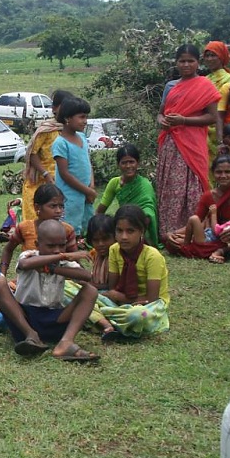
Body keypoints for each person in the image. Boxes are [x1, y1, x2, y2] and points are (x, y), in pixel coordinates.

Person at [0, 220, 100, 362]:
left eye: (61, 245)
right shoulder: (29, 255)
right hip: (24, 320)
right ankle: (32, 336)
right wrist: (62, 255)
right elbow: (24, 265)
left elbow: (87, 277)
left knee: (90, 291)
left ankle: (65, 342)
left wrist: (54, 269)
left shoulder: (64, 264)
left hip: (53, 320)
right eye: (51, 246)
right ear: (37, 245)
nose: (56, 249)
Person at [156, 44, 221, 240]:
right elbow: (160, 115)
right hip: (171, 142)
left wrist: (184, 120)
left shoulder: (205, 85)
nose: (186, 65)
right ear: (176, 63)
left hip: (193, 143)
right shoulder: (171, 86)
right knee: (171, 184)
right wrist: (164, 122)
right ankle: (168, 230)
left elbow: (212, 117)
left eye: (190, 61)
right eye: (182, 61)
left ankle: (194, 231)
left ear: (197, 63)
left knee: (193, 184)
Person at [99, 205, 170, 337]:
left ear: (141, 231)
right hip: (120, 303)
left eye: (130, 231)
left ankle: (107, 321)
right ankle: (114, 321)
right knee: (84, 295)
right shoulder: (114, 249)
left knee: (137, 315)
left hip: (149, 306)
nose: (123, 237)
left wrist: (120, 298)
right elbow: (112, 288)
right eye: (119, 231)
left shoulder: (152, 256)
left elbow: (152, 299)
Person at [166, 155, 230, 262]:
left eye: (228, 172)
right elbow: (196, 220)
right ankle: (217, 251)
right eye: (219, 172)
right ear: (213, 173)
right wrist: (171, 234)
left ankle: (220, 251)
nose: (223, 175)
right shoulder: (208, 196)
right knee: (174, 242)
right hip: (213, 239)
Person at [0, 184, 77, 277]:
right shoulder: (25, 228)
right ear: (37, 207)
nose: (58, 211)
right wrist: (2, 275)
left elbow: (75, 261)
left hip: (57, 283)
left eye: (61, 206)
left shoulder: (67, 230)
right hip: (29, 282)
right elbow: (8, 250)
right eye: (53, 206)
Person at [63, 213, 119, 341]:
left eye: (105, 239)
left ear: (115, 237)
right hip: (98, 294)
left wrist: (90, 285)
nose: (100, 244)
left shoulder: (117, 256)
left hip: (108, 296)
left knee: (77, 297)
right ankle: (102, 323)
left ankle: (103, 324)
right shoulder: (95, 254)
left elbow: (111, 286)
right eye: (96, 240)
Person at [21, 90, 73, 221]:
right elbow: (33, 153)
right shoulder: (46, 129)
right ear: (54, 108)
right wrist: (45, 174)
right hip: (42, 182)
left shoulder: (71, 131)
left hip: (65, 181)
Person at [96, 144, 159, 247]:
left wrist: (135, 230)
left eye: (131, 162)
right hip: (121, 225)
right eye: (124, 163)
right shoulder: (114, 183)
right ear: (118, 164)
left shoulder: (145, 184)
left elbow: (148, 213)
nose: (128, 166)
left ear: (138, 163)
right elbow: (100, 210)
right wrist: (97, 228)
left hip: (140, 228)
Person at [52, 96, 95, 237]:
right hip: (69, 196)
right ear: (67, 118)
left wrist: (91, 187)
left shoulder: (82, 137)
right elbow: (65, 174)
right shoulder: (60, 143)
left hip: (85, 193)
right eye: (81, 117)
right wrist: (86, 190)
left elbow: (88, 163)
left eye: (86, 117)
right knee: (69, 229)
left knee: (87, 226)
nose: (85, 121)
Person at [203, 41, 230, 162]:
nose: (209, 59)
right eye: (207, 55)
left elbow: (224, 111)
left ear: (222, 56)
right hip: (203, 131)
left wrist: (221, 140)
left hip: (224, 132)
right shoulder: (203, 80)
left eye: (213, 55)